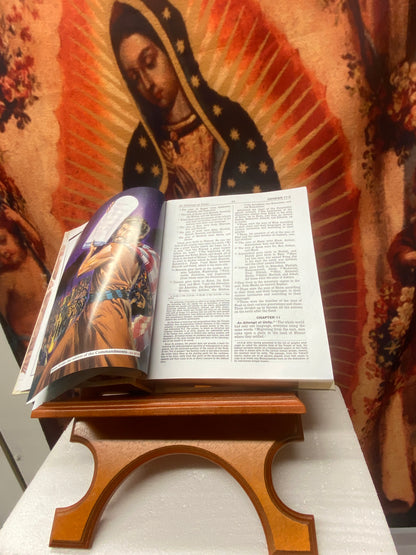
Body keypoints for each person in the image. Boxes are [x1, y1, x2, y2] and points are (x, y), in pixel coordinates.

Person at [110, 0, 280, 199]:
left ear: (172, 51)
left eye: (150, 63)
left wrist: (194, 206)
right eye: (134, 78)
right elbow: (137, 215)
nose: (147, 84)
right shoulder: (141, 150)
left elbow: (265, 202)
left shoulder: (231, 123)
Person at [31, 215, 159, 397]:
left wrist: (91, 251)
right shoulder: (140, 255)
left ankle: (53, 387)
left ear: (138, 236)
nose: (122, 232)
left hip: (103, 306)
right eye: (122, 228)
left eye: (128, 230)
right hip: (119, 305)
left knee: (104, 347)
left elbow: (83, 270)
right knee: (99, 345)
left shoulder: (114, 247)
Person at [0, 203, 48, 361]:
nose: (3, 252)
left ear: (14, 236)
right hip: (31, 340)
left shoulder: (31, 258)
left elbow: (38, 244)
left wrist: (20, 220)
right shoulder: (7, 278)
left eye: (3, 241)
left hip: (52, 326)